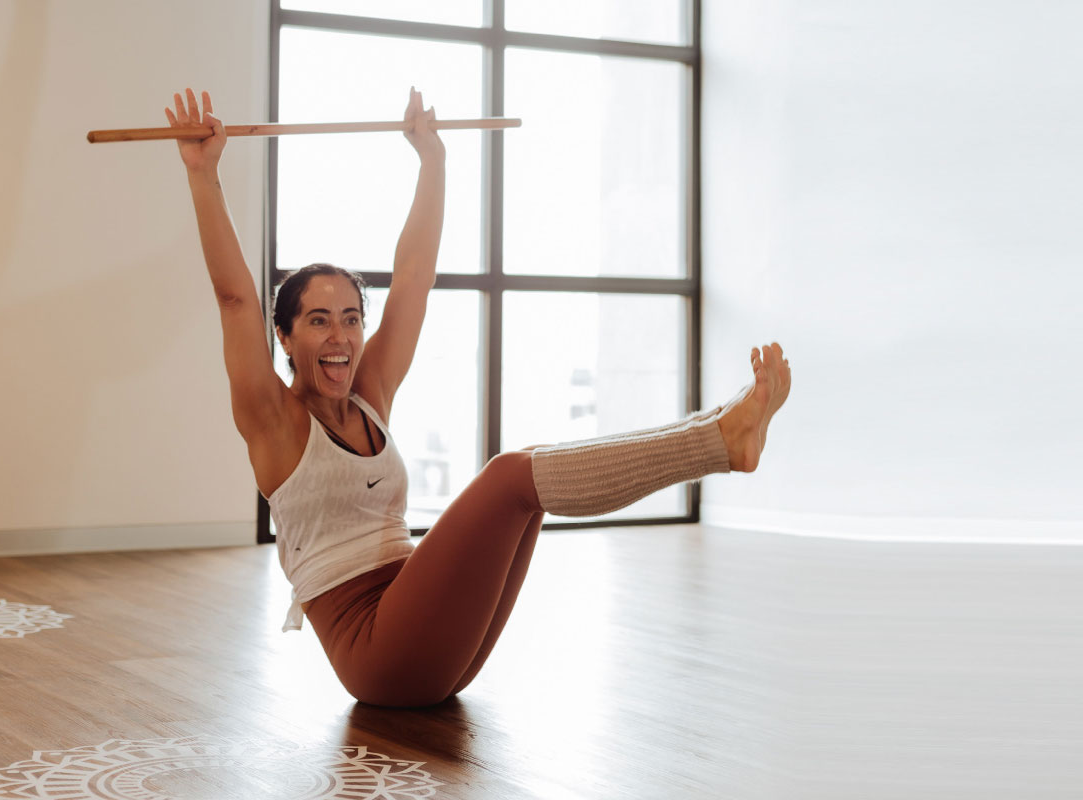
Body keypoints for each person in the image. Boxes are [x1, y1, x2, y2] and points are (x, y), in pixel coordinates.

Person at [168, 87, 791, 708]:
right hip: (380, 654)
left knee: (527, 483)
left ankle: (716, 426)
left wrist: (432, 161)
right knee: (510, 475)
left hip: (433, 639)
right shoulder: (274, 420)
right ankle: (717, 443)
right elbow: (234, 299)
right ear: (284, 334)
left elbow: (415, 276)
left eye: (352, 318)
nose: (341, 337)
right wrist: (203, 172)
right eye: (319, 321)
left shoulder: (368, 397)